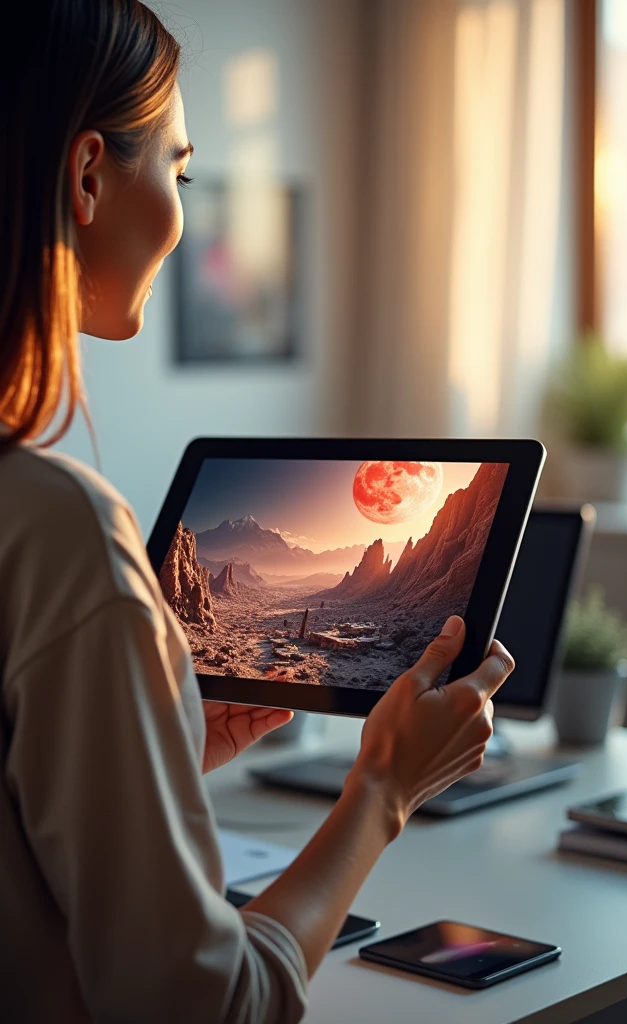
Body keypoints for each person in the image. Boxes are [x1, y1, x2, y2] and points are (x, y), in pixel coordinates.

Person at [0, 3, 515, 1022]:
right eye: (180, 173)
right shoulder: (55, 529)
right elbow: (202, 1007)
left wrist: (152, 758)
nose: (184, 214)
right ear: (89, 174)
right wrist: (380, 792)